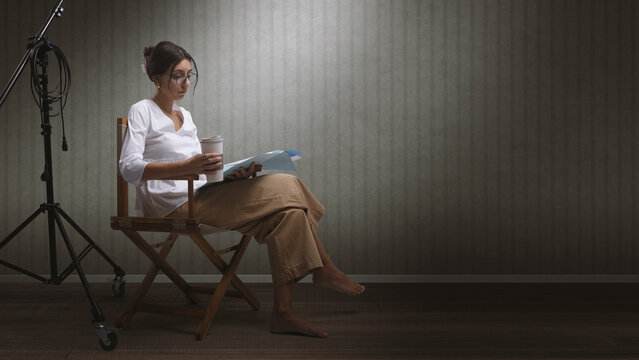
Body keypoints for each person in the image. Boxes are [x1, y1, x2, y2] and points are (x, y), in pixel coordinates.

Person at [119, 41, 365, 338]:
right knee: (288, 183)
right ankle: (324, 266)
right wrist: (187, 167)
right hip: (173, 205)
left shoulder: (186, 117)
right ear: (156, 77)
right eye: (177, 76)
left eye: (189, 75)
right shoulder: (142, 110)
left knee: (290, 216)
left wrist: (231, 175)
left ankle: (283, 314)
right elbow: (129, 167)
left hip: (203, 195)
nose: (185, 83)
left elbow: (201, 173)